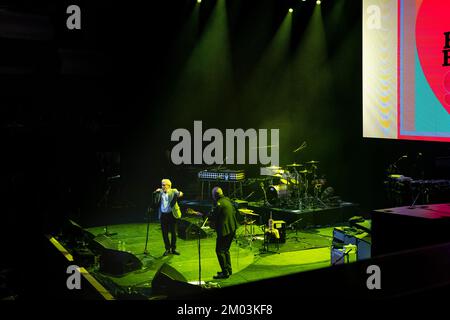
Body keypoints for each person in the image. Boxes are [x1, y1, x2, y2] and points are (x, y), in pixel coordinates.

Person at [210, 187, 238, 279]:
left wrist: (204, 215)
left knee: (219, 251)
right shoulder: (227, 200)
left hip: (224, 230)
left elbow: (214, 216)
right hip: (232, 228)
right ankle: (228, 270)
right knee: (225, 250)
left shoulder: (219, 203)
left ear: (215, 195)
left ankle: (225, 273)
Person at [154, 179, 183, 256]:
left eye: (164, 185)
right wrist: (156, 193)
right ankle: (167, 249)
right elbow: (155, 202)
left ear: (168, 186)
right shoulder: (159, 192)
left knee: (173, 233)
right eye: (162, 185)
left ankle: (173, 248)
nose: (162, 186)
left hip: (172, 215)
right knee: (164, 233)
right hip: (163, 215)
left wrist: (180, 194)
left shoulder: (173, 191)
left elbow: (179, 193)